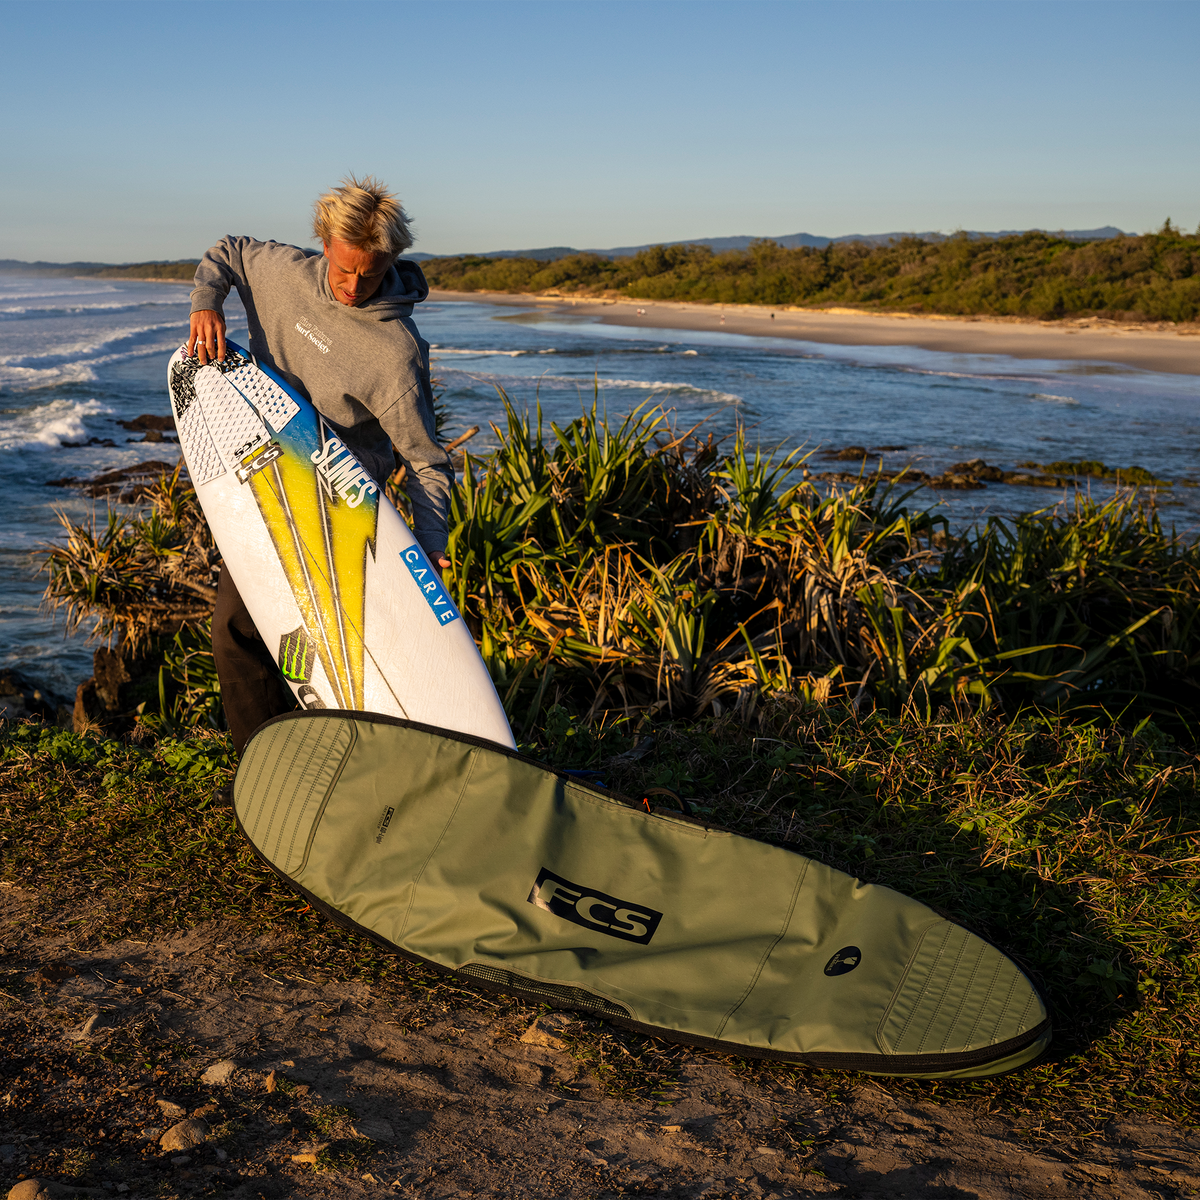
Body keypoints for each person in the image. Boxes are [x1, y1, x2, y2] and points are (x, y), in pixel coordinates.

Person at [188, 175, 452, 755]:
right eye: (345, 269)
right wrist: (207, 302)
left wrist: (432, 545)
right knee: (236, 630)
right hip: (263, 477)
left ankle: (342, 759)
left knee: (314, 650)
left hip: (339, 507)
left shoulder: (396, 353)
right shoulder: (283, 272)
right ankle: (265, 766)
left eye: (371, 274)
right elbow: (228, 251)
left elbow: (426, 461)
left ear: (391, 262)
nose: (355, 287)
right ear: (324, 243)